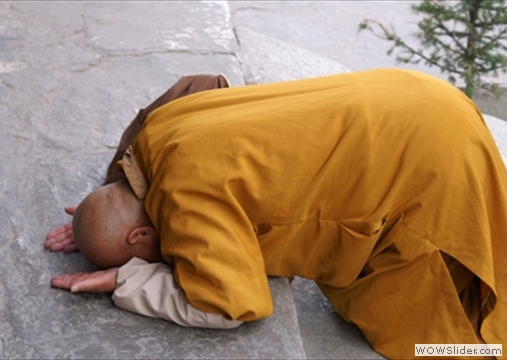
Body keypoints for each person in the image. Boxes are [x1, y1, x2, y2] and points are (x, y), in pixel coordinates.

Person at [46, 69, 506, 359]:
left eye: (138, 255)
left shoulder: (189, 204)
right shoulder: (160, 132)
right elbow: (201, 81)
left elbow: (234, 303)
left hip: (432, 171)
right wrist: (106, 204)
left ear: (140, 235)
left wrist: (125, 282)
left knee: (431, 342)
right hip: (419, 98)